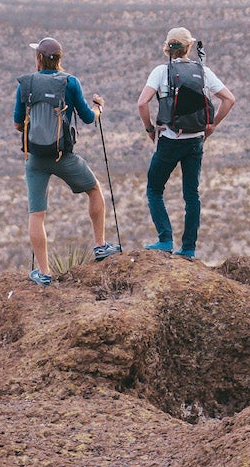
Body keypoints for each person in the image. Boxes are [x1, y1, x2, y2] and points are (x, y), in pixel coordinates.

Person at [14, 37, 118, 285]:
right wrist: (99, 109)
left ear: (39, 58)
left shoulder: (25, 84)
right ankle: (101, 246)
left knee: (36, 214)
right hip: (63, 155)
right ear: (60, 59)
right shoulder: (70, 82)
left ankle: (44, 272)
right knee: (94, 190)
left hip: (35, 158)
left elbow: (18, 124)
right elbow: (87, 117)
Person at [134, 26, 234, 258]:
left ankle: (165, 239)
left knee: (154, 189)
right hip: (195, 141)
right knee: (191, 194)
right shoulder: (203, 71)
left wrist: (150, 129)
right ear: (189, 47)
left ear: (168, 48)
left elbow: (142, 103)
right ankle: (188, 248)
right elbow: (229, 99)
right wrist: (212, 125)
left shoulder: (161, 71)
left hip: (170, 139)